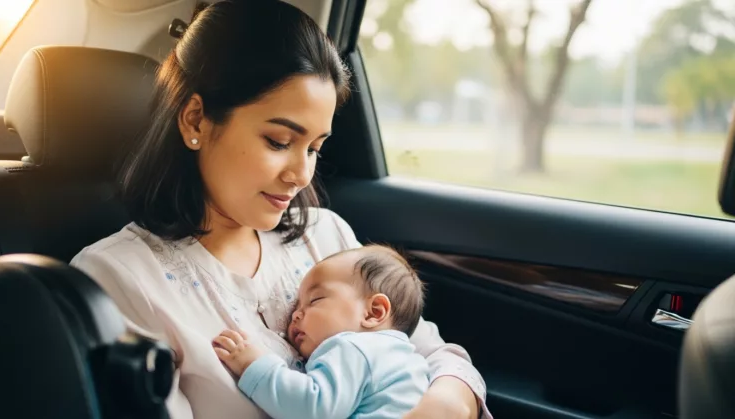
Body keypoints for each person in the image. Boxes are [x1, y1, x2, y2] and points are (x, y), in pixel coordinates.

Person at [70, 1, 491, 418]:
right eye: (278, 142)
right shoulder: (118, 278)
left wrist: (446, 406)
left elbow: (435, 354)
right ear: (196, 120)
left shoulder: (327, 237)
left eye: (313, 149)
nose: (301, 174)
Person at [213, 245, 430, 419]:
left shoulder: (354, 349)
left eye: (315, 300)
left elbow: (313, 407)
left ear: (373, 312)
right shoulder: (409, 361)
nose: (296, 315)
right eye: (296, 306)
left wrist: (253, 366)